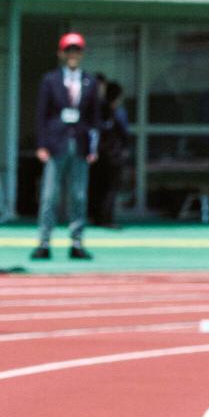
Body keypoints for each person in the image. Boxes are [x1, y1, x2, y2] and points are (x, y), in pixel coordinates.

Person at [30, 32, 99, 262]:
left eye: (76, 50)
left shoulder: (90, 81)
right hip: (55, 143)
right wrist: (41, 144)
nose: (72, 54)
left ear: (82, 54)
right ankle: (44, 241)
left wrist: (93, 147)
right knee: (49, 195)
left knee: (79, 195)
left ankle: (77, 241)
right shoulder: (50, 80)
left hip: (79, 144)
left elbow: (94, 118)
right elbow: (41, 114)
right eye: (69, 50)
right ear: (61, 53)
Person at [89, 79, 130, 228]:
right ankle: (107, 218)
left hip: (99, 155)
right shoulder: (118, 112)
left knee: (98, 187)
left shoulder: (98, 110)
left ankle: (96, 217)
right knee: (111, 188)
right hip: (114, 156)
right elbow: (124, 133)